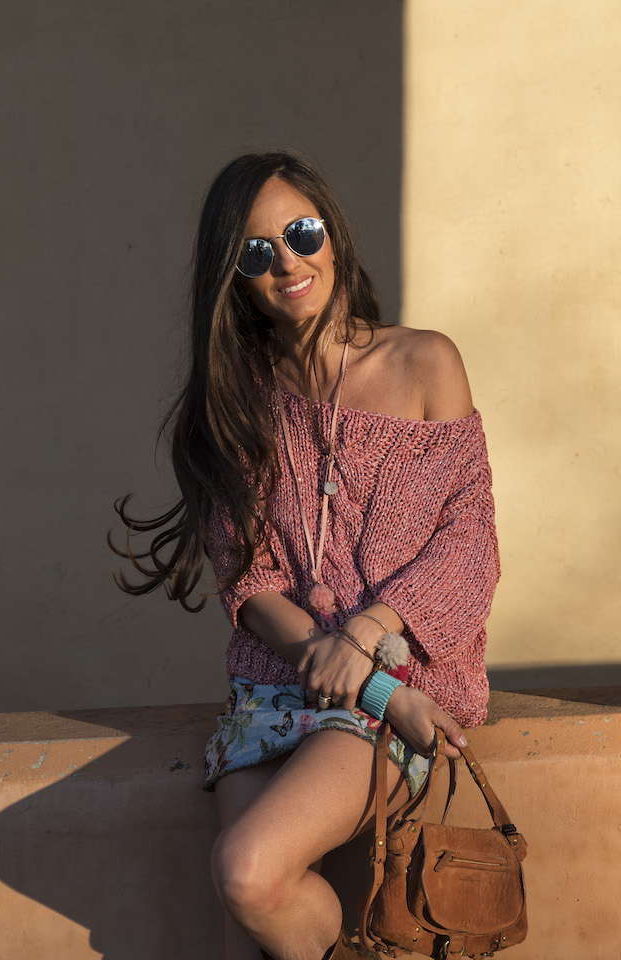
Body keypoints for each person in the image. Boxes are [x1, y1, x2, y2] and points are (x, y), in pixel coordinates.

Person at [111, 151, 500, 960]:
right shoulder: (238, 401)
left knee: (248, 870)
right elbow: (250, 585)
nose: (288, 263)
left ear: (334, 234)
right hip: (274, 683)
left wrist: (370, 648)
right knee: (244, 935)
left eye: (301, 233)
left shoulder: (426, 362)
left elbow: (469, 545)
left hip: (402, 689)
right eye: (258, 252)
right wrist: (344, 660)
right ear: (236, 278)